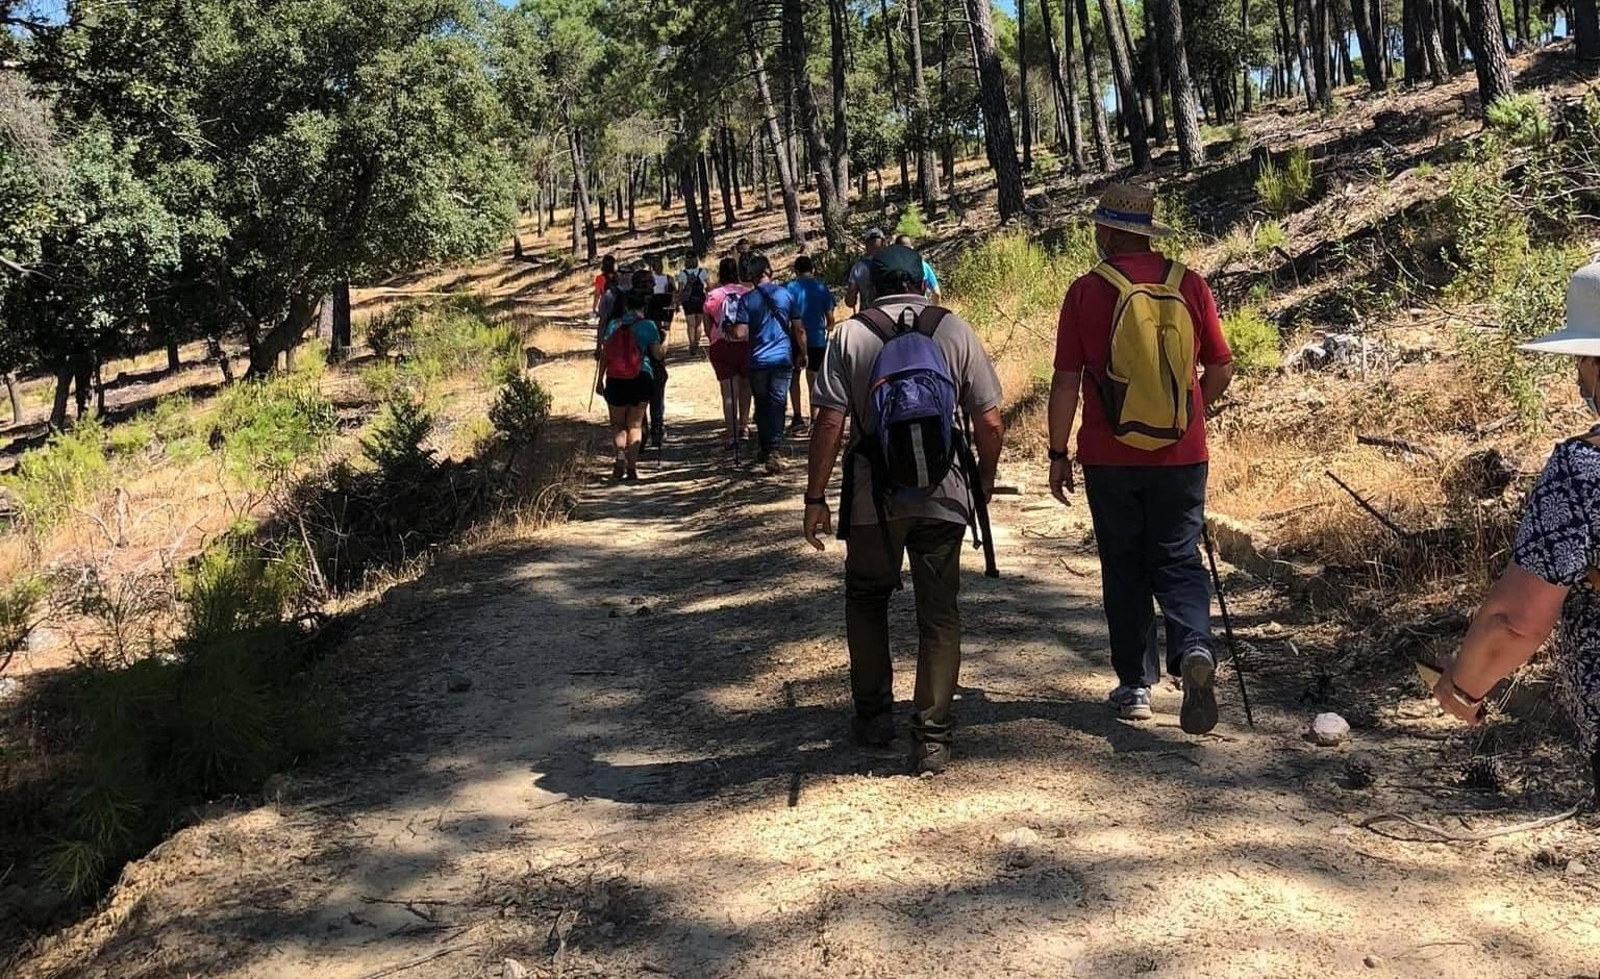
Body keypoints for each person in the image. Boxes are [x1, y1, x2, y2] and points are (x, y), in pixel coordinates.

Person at [803, 243, 1006, 774]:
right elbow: (989, 421)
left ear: (870, 285)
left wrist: (815, 497)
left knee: (867, 600)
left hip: (875, 495)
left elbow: (829, 423)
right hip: (944, 491)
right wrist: (982, 481)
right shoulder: (954, 329)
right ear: (921, 283)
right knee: (939, 615)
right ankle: (932, 738)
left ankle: (873, 718)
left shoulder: (850, 334)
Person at [1046, 184, 1235, 733]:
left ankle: (1135, 686)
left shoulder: (1086, 291)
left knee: (1124, 566)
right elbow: (1220, 370)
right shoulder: (1190, 285)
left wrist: (1058, 453)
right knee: (1178, 557)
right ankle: (1194, 648)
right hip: (1183, 453)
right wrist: (1190, 410)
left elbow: (1065, 381)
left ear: (1107, 231)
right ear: (1148, 231)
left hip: (1110, 456)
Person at [1431, 261, 1600, 796]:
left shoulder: (1582, 473)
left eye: (1581, 360)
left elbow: (1515, 621)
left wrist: (1464, 686)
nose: (1577, 376)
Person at [731, 253, 806, 474]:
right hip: (782, 359)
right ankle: (773, 449)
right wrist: (803, 352)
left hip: (757, 361)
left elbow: (741, 333)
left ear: (752, 277)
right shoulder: (786, 295)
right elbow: (798, 328)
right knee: (777, 403)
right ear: (769, 272)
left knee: (762, 404)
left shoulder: (747, 300)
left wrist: (729, 328)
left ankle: (766, 447)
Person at [596, 269, 665, 481]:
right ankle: (633, 468)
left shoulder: (614, 325)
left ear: (626, 305)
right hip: (641, 377)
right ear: (642, 306)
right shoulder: (648, 326)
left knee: (617, 424)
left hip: (616, 379)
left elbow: (606, 355)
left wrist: (600, 381)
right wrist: (667, 337)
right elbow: (658, 354)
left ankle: (619, 458)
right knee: (635, 424)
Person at [704, 256, 752, 451]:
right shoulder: (746, 293)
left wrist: (715, 338)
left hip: (721, 346)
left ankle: (731, 434)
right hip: (745, 344)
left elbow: (707, 327)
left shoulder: (713, 296)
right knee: (745, 387)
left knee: (728, 392)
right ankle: (745, 426)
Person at [786, 254, 837, 434]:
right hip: (817, 339)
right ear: (812, 270)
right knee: (814, 379)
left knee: (794, 378)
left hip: (794, 339)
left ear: (796, 271)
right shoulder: (822, 288)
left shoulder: (790, 288)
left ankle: (798, 416)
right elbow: (831, 320)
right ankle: (815, 419)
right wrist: (827, 328)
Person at [645, 254, 675, 448]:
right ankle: (656, 428)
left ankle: (651, 429)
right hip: (653, 356)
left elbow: (673, 297)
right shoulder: (655, 283)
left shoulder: (667, 280)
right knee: (656, 391)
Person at [844, 228, 887, 312]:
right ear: (883, 243)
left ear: (866, 244)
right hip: (890, 314)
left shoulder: (858, 267)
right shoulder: (892, 262)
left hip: (867, 316)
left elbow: (850, 302)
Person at [677, 251, 711, 356]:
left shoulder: (682, 274)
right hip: (700, 299)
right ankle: (696, 343)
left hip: (688, 301)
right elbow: (709, 286)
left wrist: (679, 301)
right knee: (698, 324)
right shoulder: (702, 272)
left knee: (690, 324)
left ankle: (691, 344)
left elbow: (680, 290)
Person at [895, 234, 943, 302]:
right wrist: (931, 309)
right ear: (912, 248)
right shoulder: (923, 266)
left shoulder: (891, 268)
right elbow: (937, 293)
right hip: (920, 307)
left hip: (897, 308)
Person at [592, 254, 617, 319]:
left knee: (602, 324)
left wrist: (594, 308)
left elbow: (597, 295)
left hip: (605, 305)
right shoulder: (618, 276)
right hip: (617, 304)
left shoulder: (599, 278)